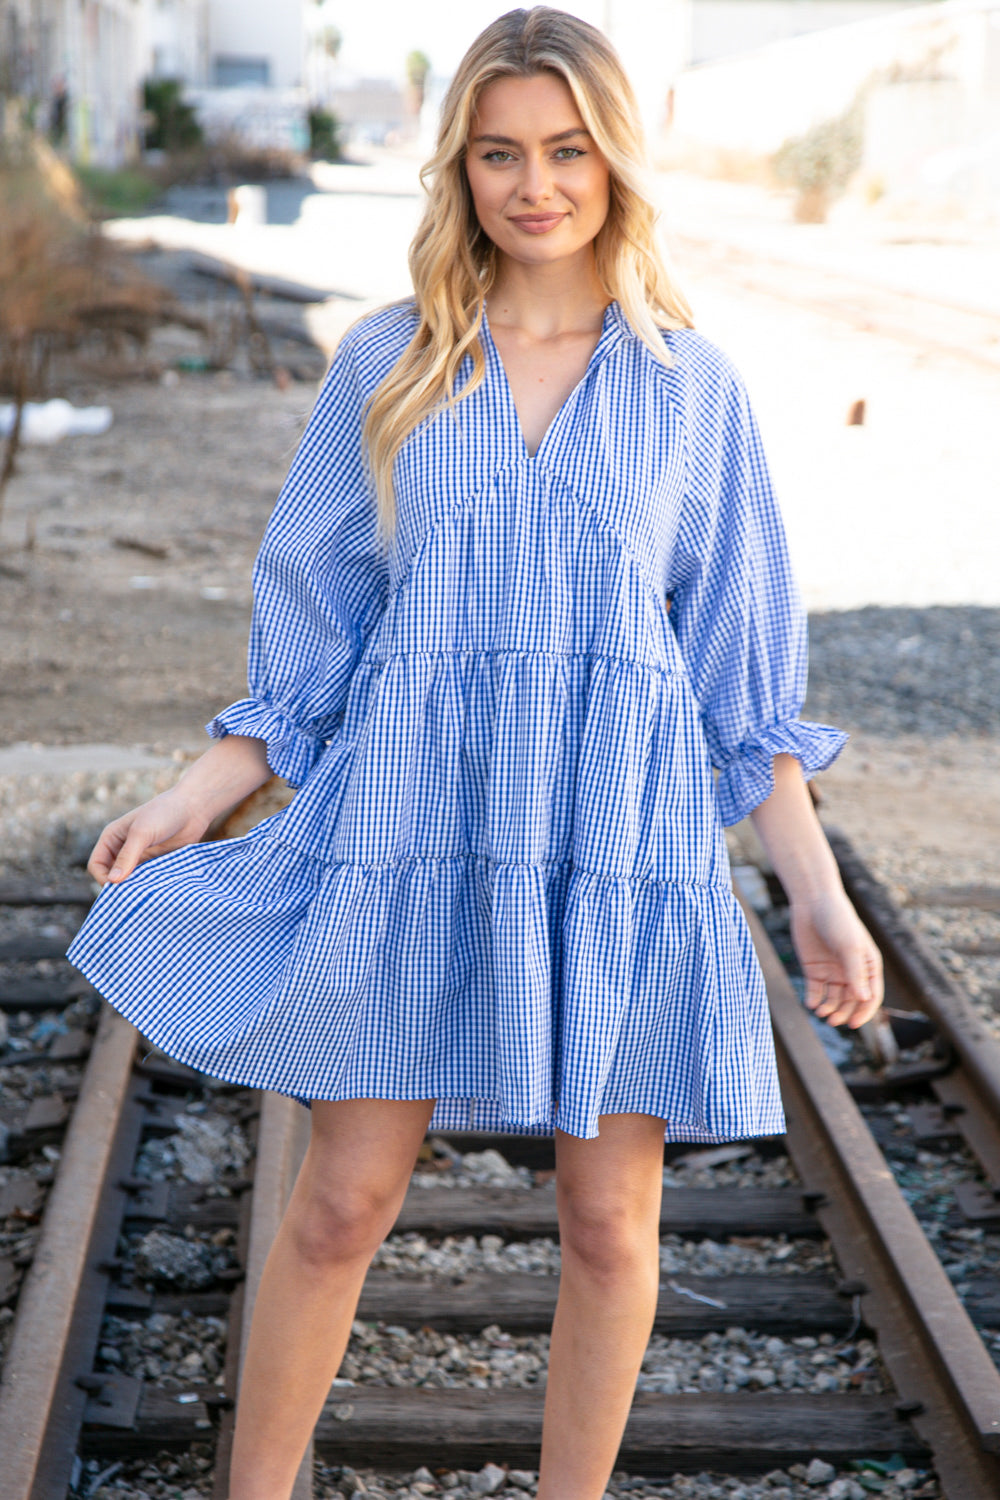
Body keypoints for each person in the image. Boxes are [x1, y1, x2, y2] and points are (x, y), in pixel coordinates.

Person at [67, 9, 884, 1498]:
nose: (535, 184)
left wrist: (812, 890)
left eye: (567, 149)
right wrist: (206, 786)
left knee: (608, 1225)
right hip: (407, 819)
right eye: (501, 150)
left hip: (615, 837)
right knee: (340, 1203)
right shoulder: (391, 359)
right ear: (463, 166)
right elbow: (314, 616)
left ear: (615, 163)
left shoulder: (689, 388)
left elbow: (738, 680)